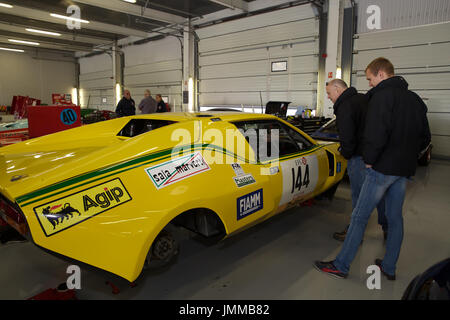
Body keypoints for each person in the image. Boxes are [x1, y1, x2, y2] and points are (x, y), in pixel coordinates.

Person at [315, 57, 431, 280]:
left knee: (359, 216)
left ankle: (341, 265)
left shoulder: (381, 97)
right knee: (395, 218)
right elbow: (425, 137)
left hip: (381, 169)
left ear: (381, 74)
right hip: (403, 170)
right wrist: (408, 158)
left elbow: (375, 134)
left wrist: (370, 159)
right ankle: (389, 267)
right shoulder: (415, 100)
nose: (369, 84)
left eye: (370, 79)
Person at [325, 79, 387, 242]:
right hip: (374, 156)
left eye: (329, 93)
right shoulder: (362, 99)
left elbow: (348, 137)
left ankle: (354, 234)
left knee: (359, 196)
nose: (329, 97)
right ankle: (387, 228)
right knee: (379, 194)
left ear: (338, 89)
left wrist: (345, 153)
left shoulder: (345, 106)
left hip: (358, 158)